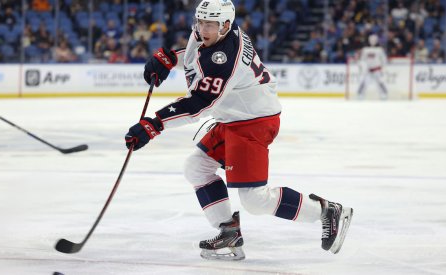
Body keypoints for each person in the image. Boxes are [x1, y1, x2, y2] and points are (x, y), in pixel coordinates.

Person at [125, 0, 353, 261]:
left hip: (253, 122)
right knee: (196, 167)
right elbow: (196, 56)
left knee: (255, 199)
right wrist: (169, 59)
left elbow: (200, 104)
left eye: (210, 24)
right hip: (235, 118)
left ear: (225, 25)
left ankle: (326, 211)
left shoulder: (225, 59)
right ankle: (228, 229)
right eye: (200, 22)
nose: (202, 29)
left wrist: (154, 125)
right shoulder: (215, 36)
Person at [356, 34, 389, 99]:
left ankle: (384, 94)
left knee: (380, 82)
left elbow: (384, 60)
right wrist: (360, 66)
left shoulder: (380, 50)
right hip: (368, 70)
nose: (372, 41)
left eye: (374, 40)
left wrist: (383, 68)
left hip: (377, 70)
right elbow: (362, 59)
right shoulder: (365, 50)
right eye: (371, 40)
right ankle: (360, 94)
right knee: (364, 82)